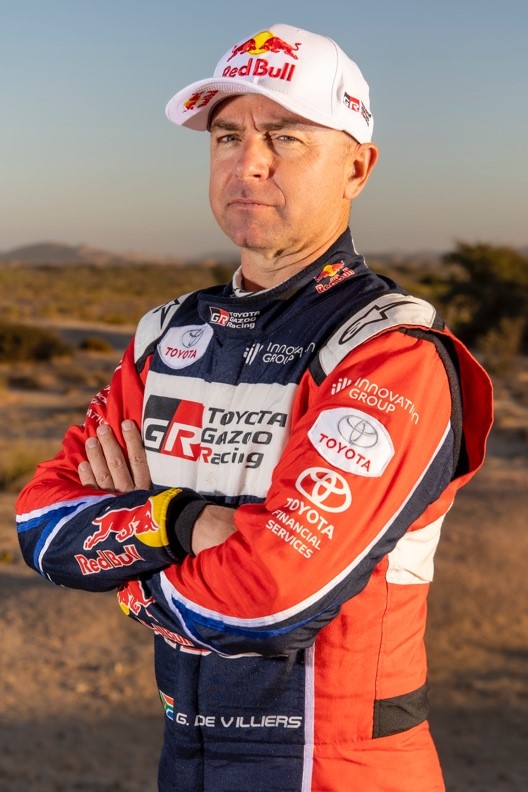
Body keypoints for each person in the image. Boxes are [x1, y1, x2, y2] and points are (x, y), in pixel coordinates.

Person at [16, 22, 493, 792]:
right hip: (187, 763)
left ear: (358, 167)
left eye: (286, 136)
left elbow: (269, 604)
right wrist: (179, 522)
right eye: (227, 135)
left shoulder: (391, 353)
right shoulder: (168, 336)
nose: (248, 163)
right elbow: (40, 523)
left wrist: (128, 568)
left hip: (341, 772)